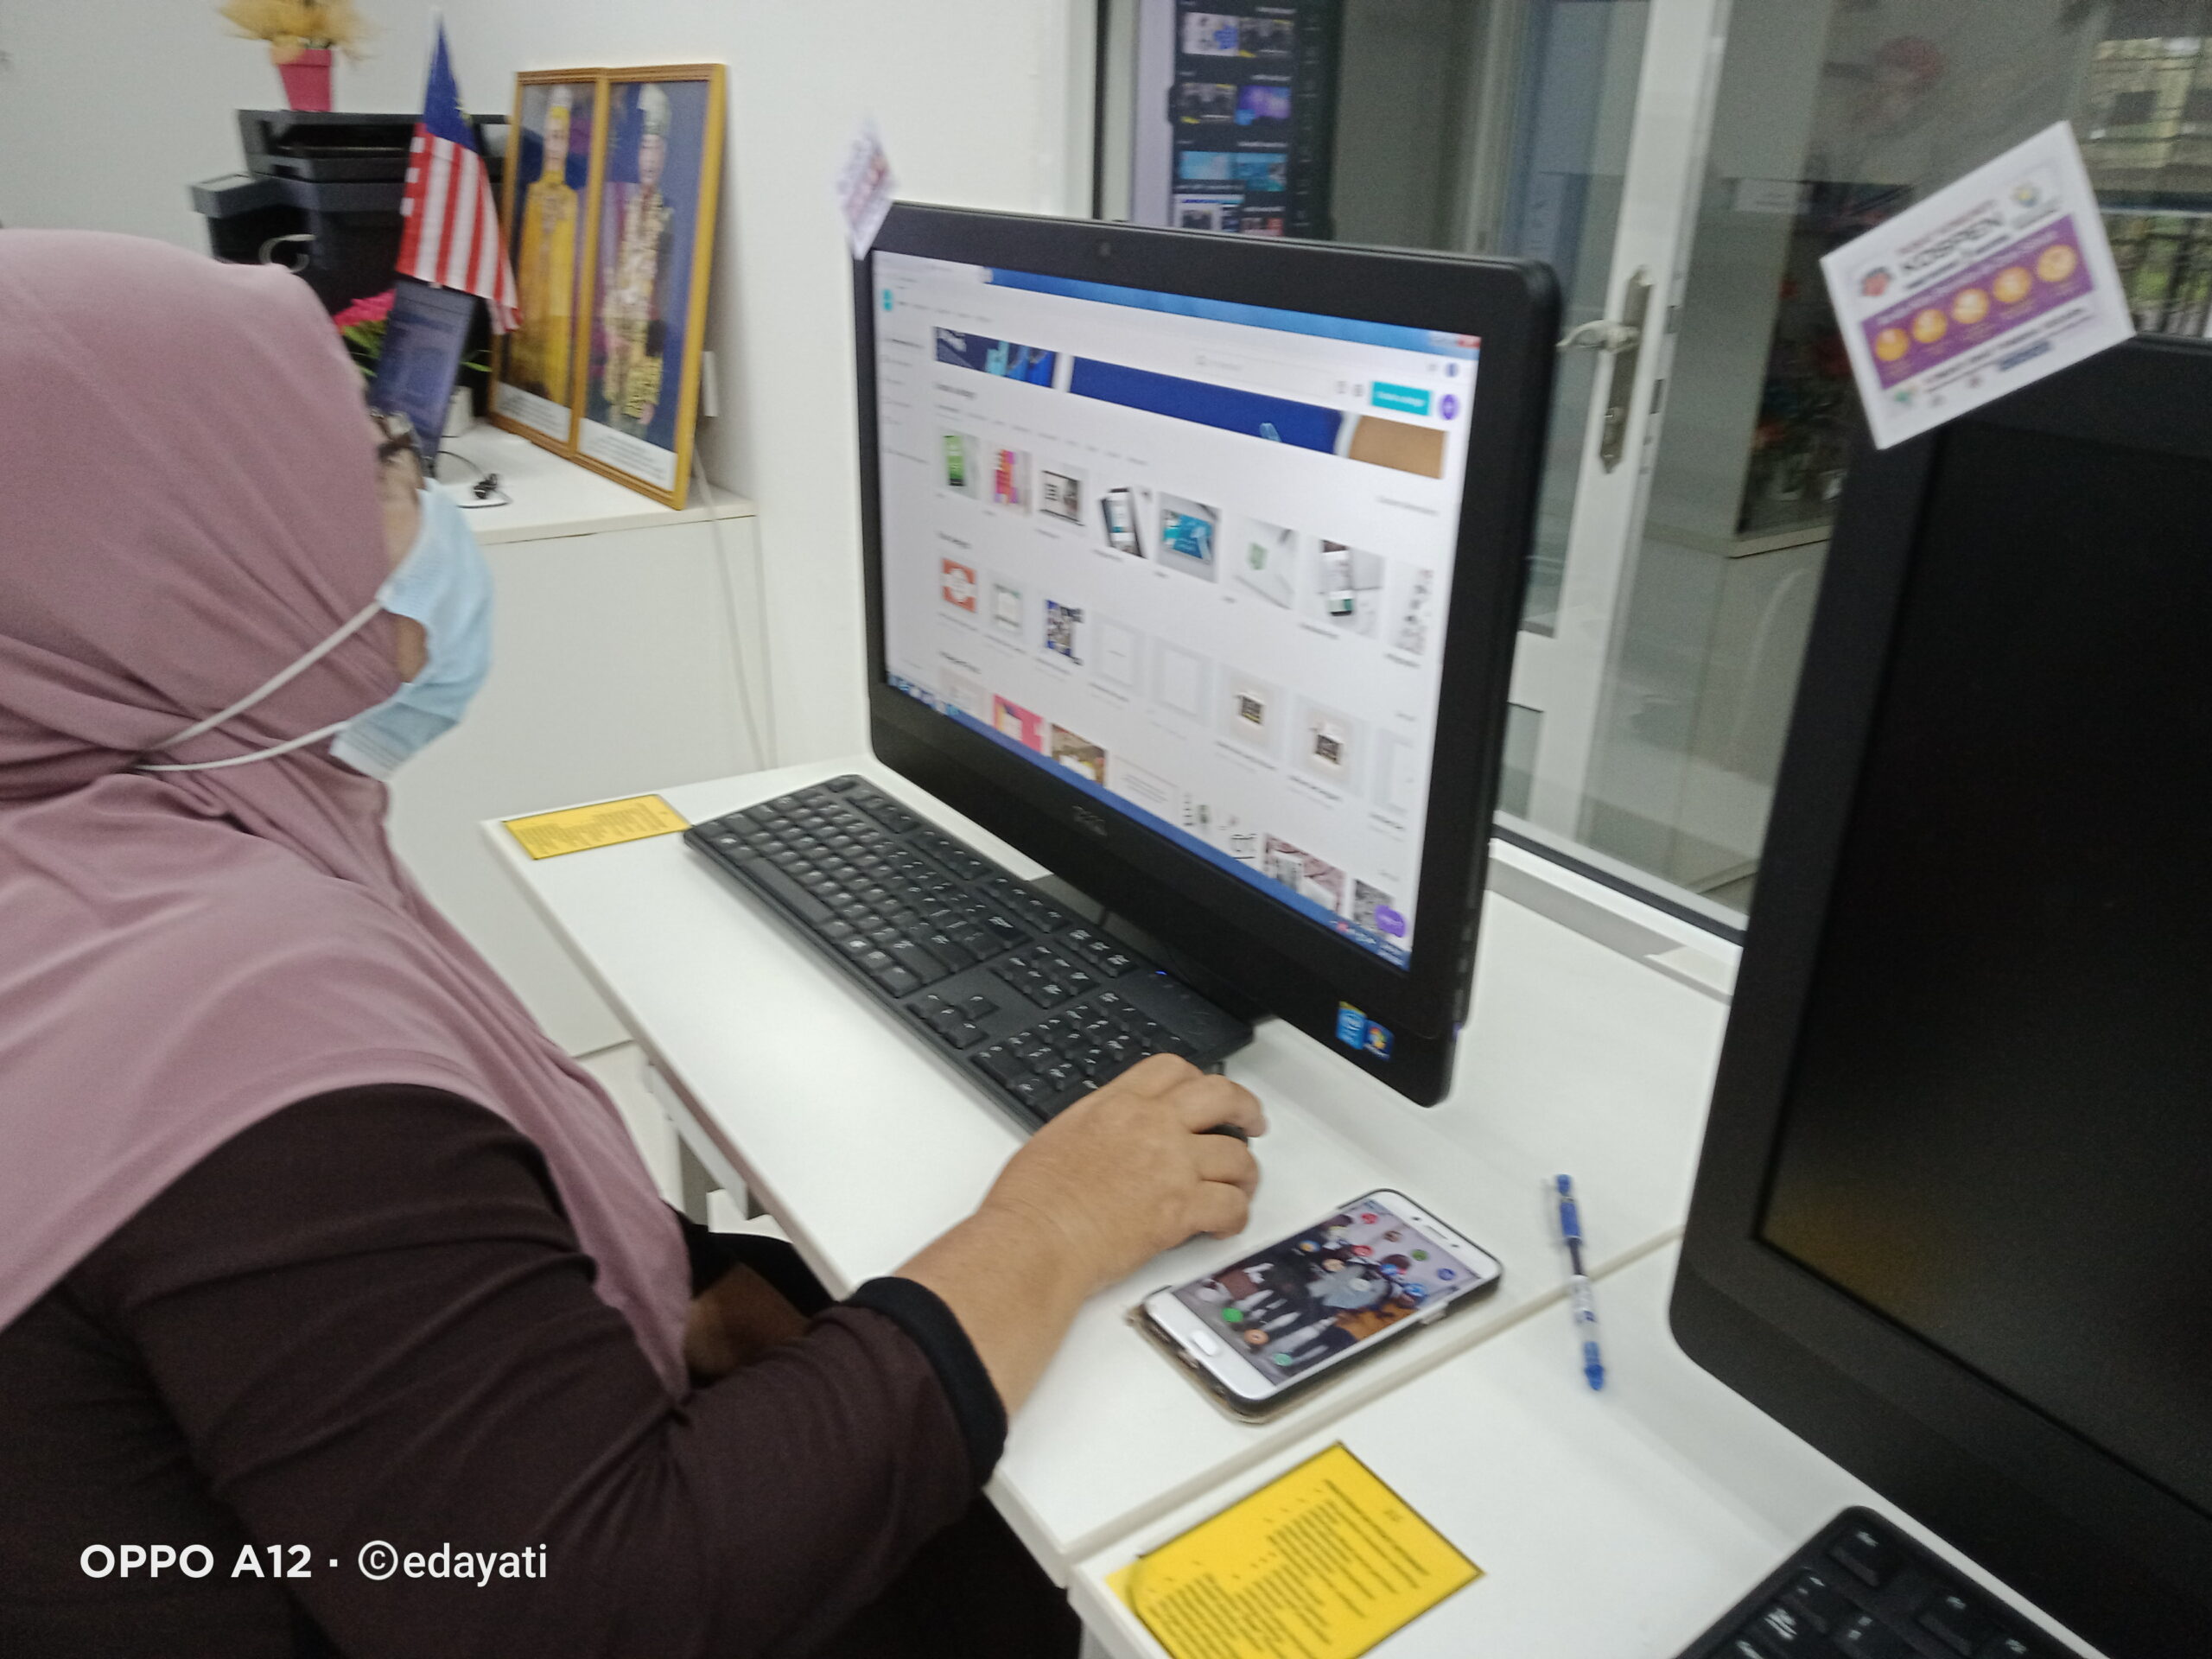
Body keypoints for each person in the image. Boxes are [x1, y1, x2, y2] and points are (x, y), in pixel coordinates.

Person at [0, 231, 1267, 1657]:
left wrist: (689, 1293)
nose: (427, 506)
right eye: (380, 462)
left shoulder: (82, 855)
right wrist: (1051, 1228)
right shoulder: (227, 1014)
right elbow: (593, 1604)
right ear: (174, 565)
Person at [508, 87, 581, 403]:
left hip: (557, 314)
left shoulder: (572, 200)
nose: (554, 146)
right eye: (551, 137)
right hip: (529, 307)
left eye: (561, 138)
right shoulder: (532, 194)